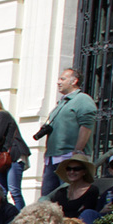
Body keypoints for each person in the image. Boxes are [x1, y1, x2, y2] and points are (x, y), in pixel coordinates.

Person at [37, 67, 97, 197]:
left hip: (69, 159)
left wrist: (77, 151)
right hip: (52, 159)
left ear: (74, 81)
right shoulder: (62, 102)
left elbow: (86, 126)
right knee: (48, 198)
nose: (58, 82)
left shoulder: (82, 99)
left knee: (67, 197)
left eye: (62, 79)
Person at [0, 94, 31, 209]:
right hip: (7, 157)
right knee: (1, 192)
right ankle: (3, 217)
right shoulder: (1, 115)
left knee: (14, 190)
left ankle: (21, 218)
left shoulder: (1, 115)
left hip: (14, 155)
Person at [47, 153, 102, 224]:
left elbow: (86, 213)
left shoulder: (92, 190)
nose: (72, 172)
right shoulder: (61, 192)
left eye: (76, 169)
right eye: (68, 169)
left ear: (84, 172)